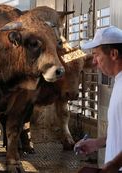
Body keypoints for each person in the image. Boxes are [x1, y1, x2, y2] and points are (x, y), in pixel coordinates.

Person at [74, 26, 122, 173]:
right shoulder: (118, 81)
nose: (94, 61)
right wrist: (96, 143)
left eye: (96, 55)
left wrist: (113, 165)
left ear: (113, 54)